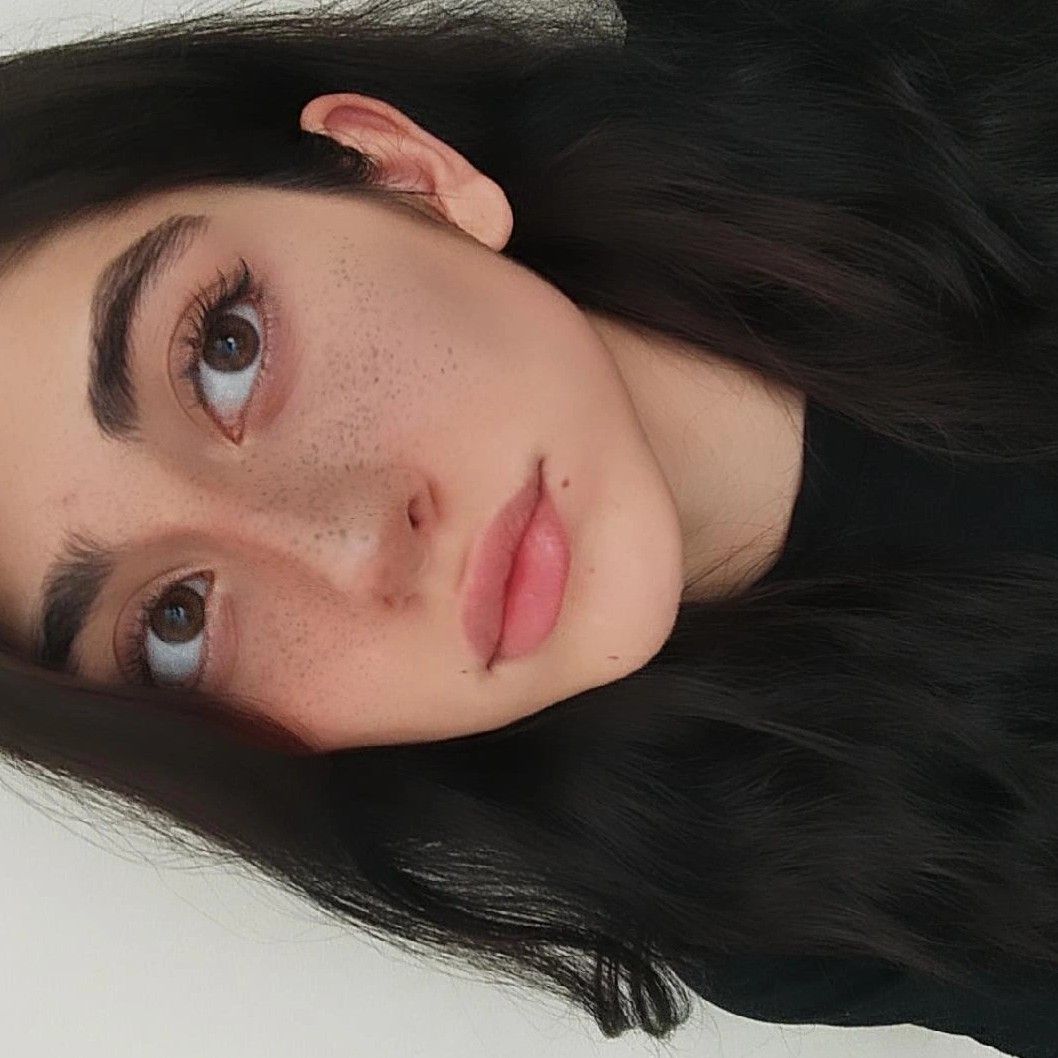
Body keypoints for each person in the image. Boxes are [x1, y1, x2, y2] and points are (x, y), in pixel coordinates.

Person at [2, 1, 1058, 1054]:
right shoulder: (787, 900)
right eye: (175, 623)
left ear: (399, 172)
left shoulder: (830, 37)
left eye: (225, 350)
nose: (359, 552)